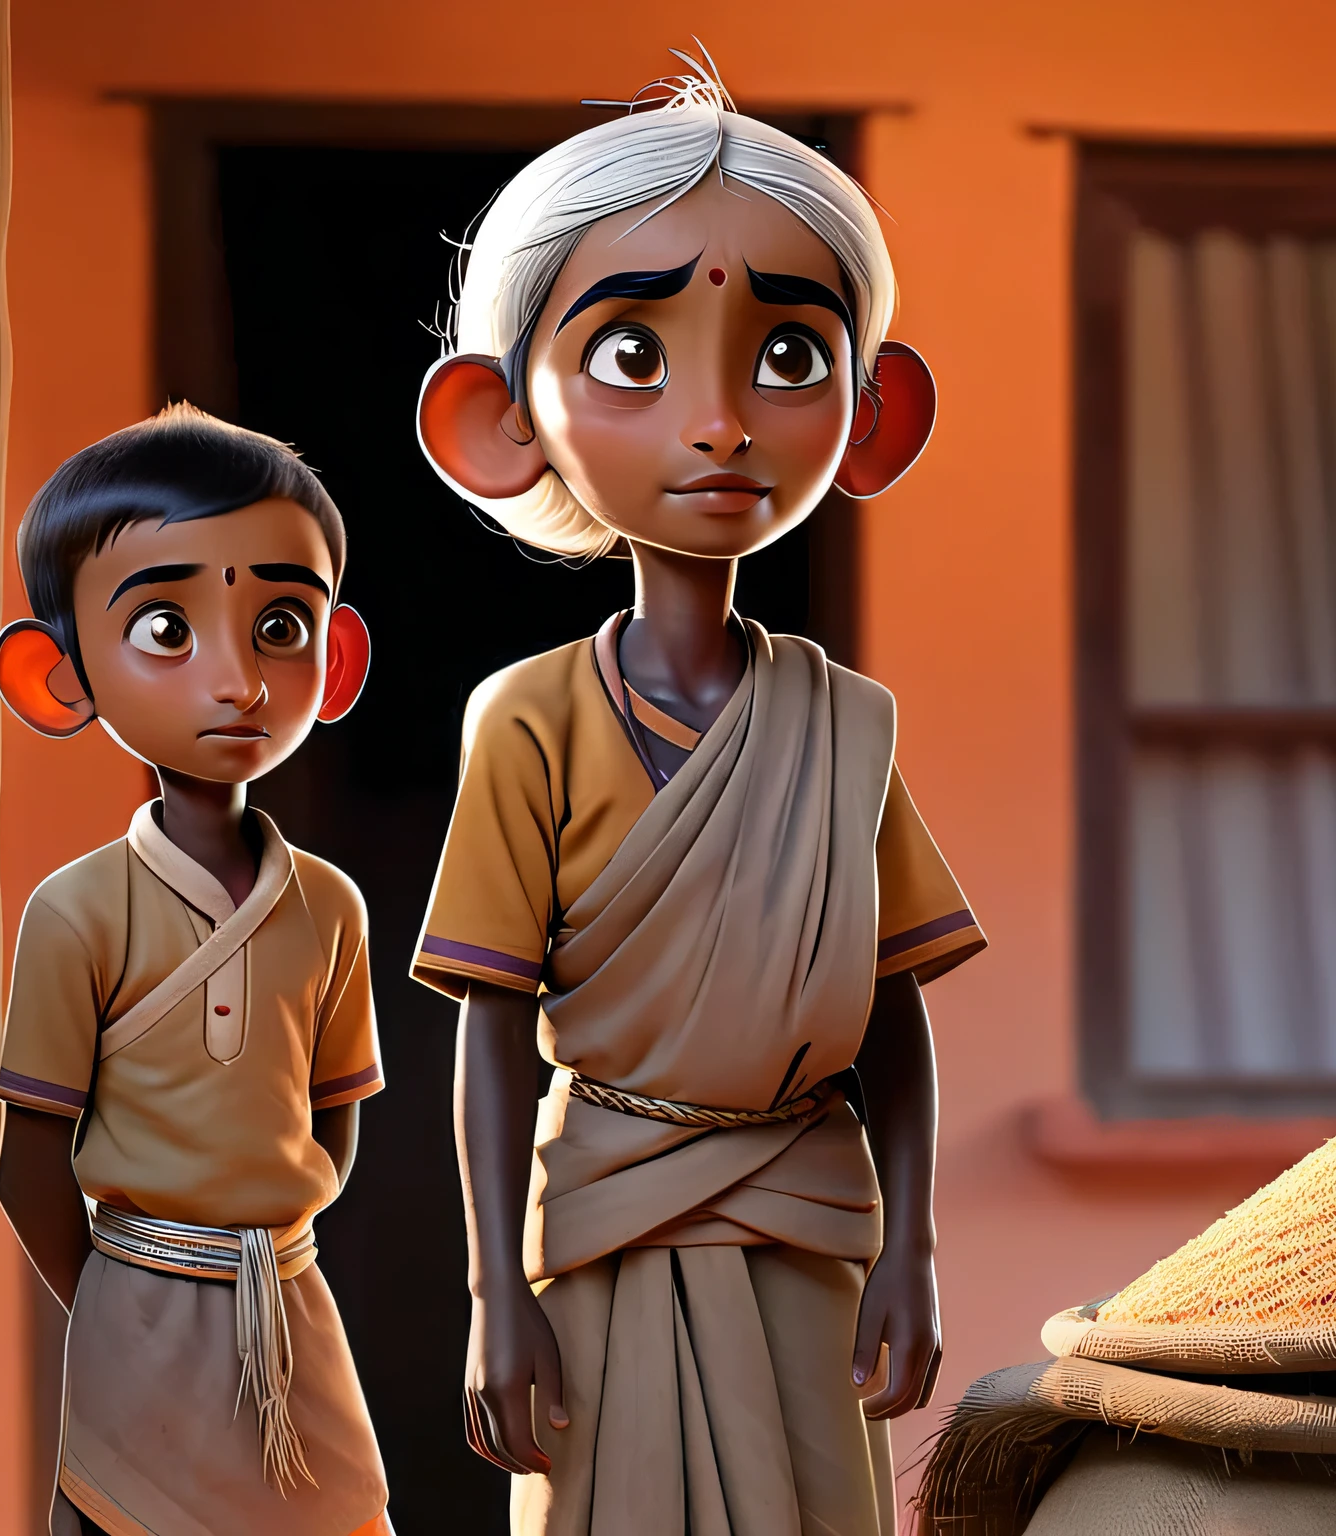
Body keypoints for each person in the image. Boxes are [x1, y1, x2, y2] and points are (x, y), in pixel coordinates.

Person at [410, 57, 982, 1536]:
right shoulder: (527, 721)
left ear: (872, 414)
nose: (720, 421)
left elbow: (894, 1001)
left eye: (790, 358)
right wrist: (491, 1296)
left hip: (805, 1220)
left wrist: (914, 1251)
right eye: (634, 358)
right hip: (601, 1226)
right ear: (501, 417)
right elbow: (487, 1022)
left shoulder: (846, 725)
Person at [0, 404, 389, 1536]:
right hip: (137, 1326)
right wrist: (128, 1298)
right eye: (167, 627)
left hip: (289, 1317)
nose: (236, 680)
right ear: (57, 677)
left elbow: (335, 1120)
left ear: (337, 657)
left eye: (278, 626)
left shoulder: (329, 908)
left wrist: (262, 1239)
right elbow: (29, 1163)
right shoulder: (75, 912)